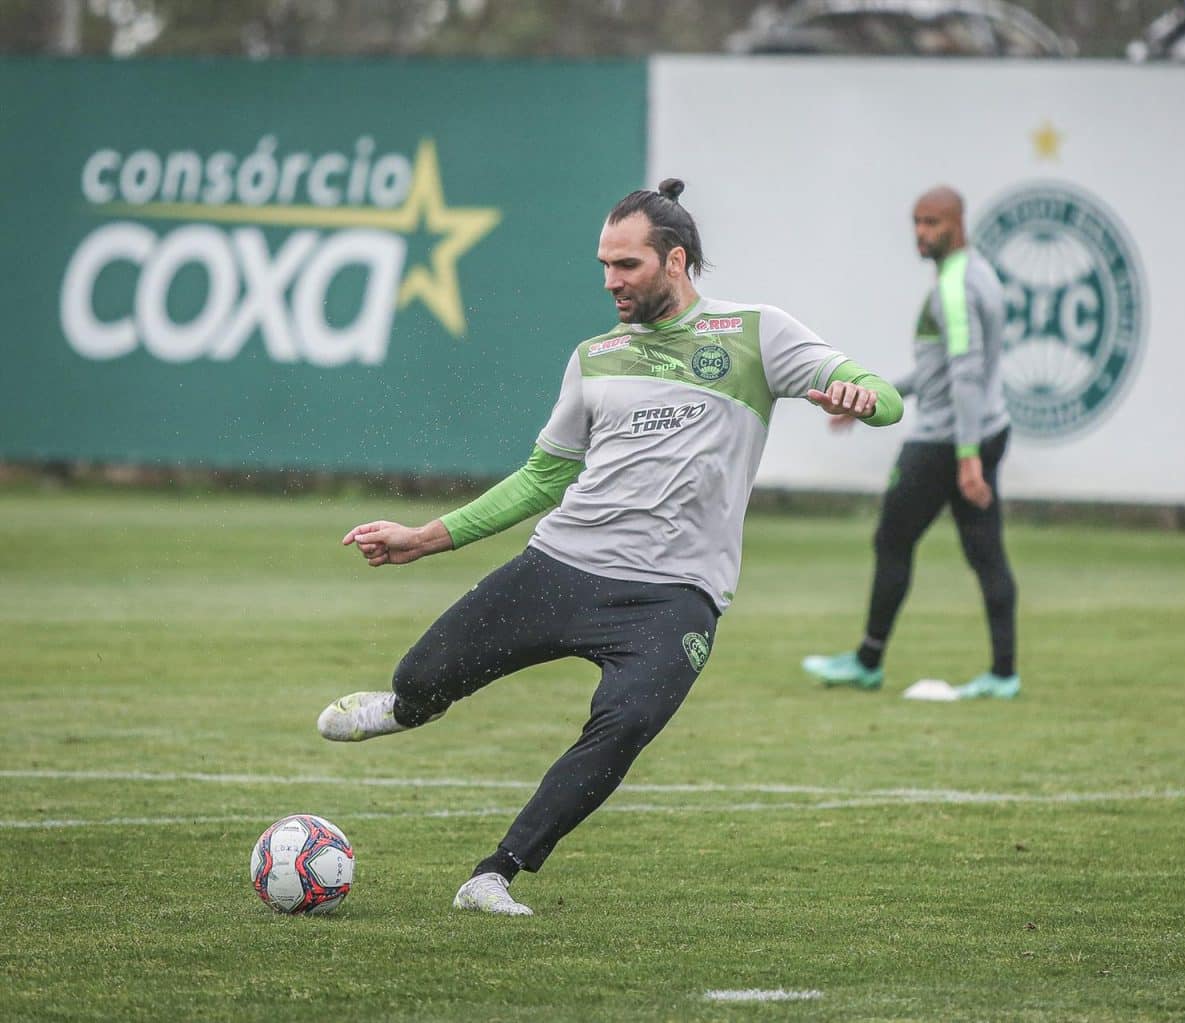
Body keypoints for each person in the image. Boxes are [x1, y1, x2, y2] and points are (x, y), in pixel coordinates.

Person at [316, 178, 902, 917]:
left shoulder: (756, 334)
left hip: (674, 597)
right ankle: (405, 706)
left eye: (626, 265)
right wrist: (423, 539)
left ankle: (493, 873)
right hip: (563, 566)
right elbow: (540, 480)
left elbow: (881, 393)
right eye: (604, 265)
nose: (610, 282)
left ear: (676, 260)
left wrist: (862, 398)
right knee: (422, 675)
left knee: (622, 726)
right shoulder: (595, 356)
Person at [801, 185, 1019, 700]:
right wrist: (882, 396)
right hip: (986, 428)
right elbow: (941, 370)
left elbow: (964, 375)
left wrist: (965, 458)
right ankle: (1004, 674)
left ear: (958, 223)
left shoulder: (954, 289)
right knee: (985, 552)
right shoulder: (979, 274)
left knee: (892, 541)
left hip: (944, 443)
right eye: (917, 223)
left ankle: (867, 662)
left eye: (932, 223)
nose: (921, 234)